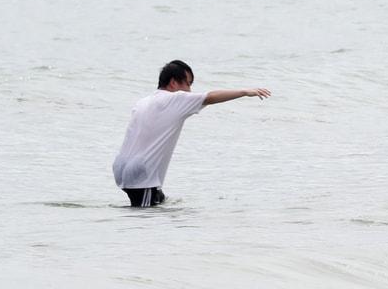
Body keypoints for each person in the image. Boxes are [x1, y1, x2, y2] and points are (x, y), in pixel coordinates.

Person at [112, 60, 271, 207]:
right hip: (143, 175)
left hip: (124, 167)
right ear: (173, 82)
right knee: (144, 222)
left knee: (159, 205)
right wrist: (244, 92)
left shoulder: (143, 102)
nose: (190, 90)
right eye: (188, 84)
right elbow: (210, 97)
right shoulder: (175, 99)